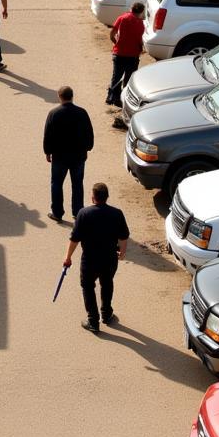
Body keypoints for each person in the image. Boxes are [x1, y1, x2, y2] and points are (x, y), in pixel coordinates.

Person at [63, 183, 130, 334]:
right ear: (107, 197)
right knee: (107, 284)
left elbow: (74, 239)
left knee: (87, 286)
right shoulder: (117, 213)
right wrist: (123, 252)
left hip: (90, 259)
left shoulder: (83, 214)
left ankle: (93, 320)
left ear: (93, 197)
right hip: (109, 258)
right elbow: (124, 237)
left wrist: (67, 257)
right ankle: (106, 314)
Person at [43, 86, 94, 223]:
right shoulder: (82, 113)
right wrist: (87, 149)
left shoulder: (54, 113)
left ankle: (57, 212)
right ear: (72, 96)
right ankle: (78, 212)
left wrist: (48, 152)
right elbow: (89, 133)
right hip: (78, 156)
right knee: (77, 184)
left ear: (60, 97)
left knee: (57, 183)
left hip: (59, 156)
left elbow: (48, 135)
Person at [106, 2, 145, 107]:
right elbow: (139, 40)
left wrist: (116, 43)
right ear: (141, 12)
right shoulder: (140, 24)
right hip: (133, 55)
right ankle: (125, 99)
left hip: (119, 53)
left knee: (116, 77)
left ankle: (113, 97)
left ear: (131, 9)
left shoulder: (122, 18)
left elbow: (112, 33)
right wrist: (141, 49)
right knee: (128, 79)